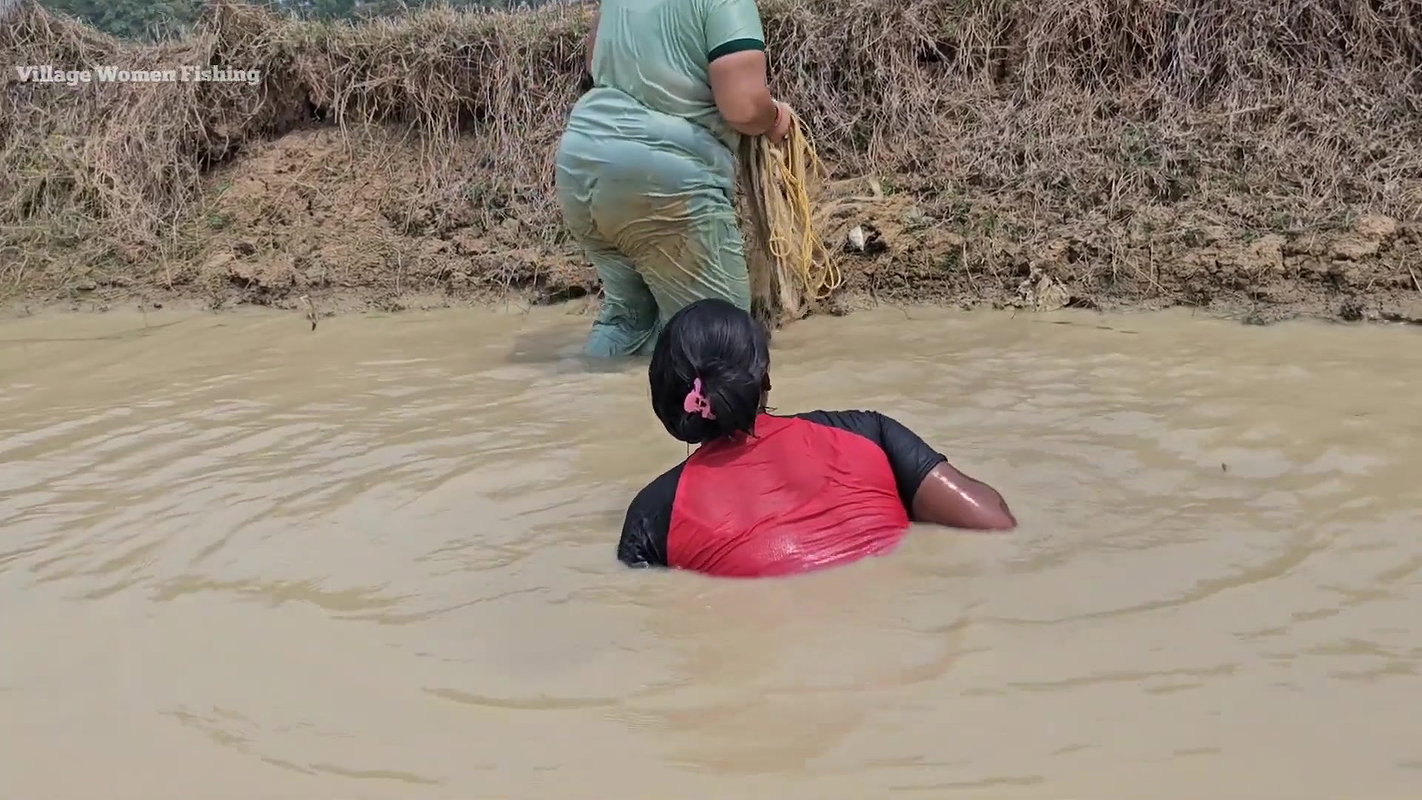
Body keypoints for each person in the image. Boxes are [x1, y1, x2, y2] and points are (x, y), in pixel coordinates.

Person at [617, 299, 1017, 577]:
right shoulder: (868, 433)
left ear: (667, 405)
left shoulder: (654, 514)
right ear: (766, 379)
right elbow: (993, 522)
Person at [555, 0, 793, 357]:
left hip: (583, 164)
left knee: (628, 326)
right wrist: (775, 119)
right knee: (720, 348)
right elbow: (743, 106)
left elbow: (596, 63)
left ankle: (590, 395)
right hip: (664, 182)